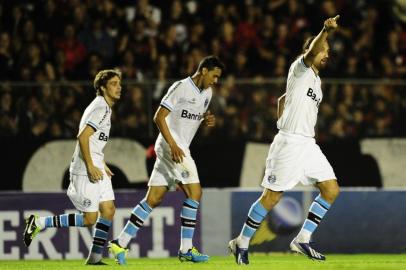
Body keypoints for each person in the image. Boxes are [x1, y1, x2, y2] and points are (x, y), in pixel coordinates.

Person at [229, 15, 341, 265]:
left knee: (331, 189)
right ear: (311, 50)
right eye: (325, 50)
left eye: (328, 51)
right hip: (289, 143)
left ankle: (302, 238)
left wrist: (282, 119)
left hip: (308, 144)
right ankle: (242, 242)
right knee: (271, 198)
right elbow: (312, 53)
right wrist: (325, 30)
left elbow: (282, 100)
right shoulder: (300, 68)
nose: (327, 54)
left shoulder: (317, 81)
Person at [108, 55, 224, 265]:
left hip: (178, 147)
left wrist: (206, 119)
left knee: (153, 199)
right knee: (195, 192)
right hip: (171, 147)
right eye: (214, 76)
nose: (215, 81)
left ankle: (120, 242)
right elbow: (159, 117)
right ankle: (186, 249)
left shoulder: (207, 93)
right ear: (204, 71)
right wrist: (172, 145)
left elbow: (194, 115)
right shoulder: (180, 88)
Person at [23, 69, 122, 265]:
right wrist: (92, 165)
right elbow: (82, 137)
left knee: (108, 210)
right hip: (86, 168)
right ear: (102, 88)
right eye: (113, 84)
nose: (119, 87)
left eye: (119, 83)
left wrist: (101, 162)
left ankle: (94, 258)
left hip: (95, 164)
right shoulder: (100, 108)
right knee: (89, 219)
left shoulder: (103, 108)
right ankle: (39, 223)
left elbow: (93, 141)